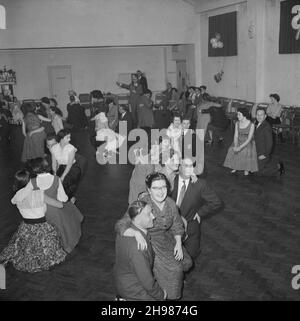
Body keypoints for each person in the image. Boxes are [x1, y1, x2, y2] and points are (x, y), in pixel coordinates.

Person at [116, 172, 193, 300]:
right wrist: (135, 233)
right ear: (148, 190)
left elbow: (177, 225)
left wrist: (178, 243)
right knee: (175, 270)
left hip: (166, 238)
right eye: (156, 188)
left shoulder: (170, 203)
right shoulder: (142, 204)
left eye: (163, 187)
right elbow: (120, 225)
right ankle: (168, 292)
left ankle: (164, 279)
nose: (160, 191)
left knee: (187, 262)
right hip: (150, 242)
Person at [0, 170, 66, 273]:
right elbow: (60, 205)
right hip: (42, 228)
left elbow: (14, 201)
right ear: (31, 181)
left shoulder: (16, 196)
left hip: (26, 228)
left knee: (23, 248)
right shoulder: (39, 194)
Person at [27, 158, 84, 253]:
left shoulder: (32, 181)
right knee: (69, 211)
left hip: (40, 211)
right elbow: (63, 198)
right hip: (55, 211)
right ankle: (67, 243)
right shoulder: (55, 179)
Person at [114, 200, 167, 301]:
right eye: (148, 214)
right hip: (134, 290)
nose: (153, 216)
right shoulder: (138, 247)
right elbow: (147, 281)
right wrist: (161, 295)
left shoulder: (127, 227)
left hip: (124, 280)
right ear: (137, 219)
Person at [171, 157, 222, 259]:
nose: (190, 169)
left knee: (191, 255)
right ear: (179, 167)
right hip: (171, 225)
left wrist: (200, 212)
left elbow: (216, 202)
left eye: (191, 166)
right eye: (186, 166)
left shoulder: (200, 184)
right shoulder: (171, 180)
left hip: (190, 225)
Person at [223, 108, 258, 176]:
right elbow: (235, 136)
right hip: (238, 140)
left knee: (246, 150)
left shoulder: (251, 125)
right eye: (237, 114)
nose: (237, 116)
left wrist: (240, 147)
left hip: (248, 142)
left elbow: (249, 139)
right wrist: (236, 146)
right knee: (231, 149)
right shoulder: (237, 123)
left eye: (239, 114)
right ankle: (235, 166)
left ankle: (246, 168)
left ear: (244, 115)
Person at [50, 129, 82, 202]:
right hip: (61, 167)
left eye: (69, 137)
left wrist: (63, 176)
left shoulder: (71, 148)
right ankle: (67, 198)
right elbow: (54, 163)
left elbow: (69, 164)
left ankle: (68, 198)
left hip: (72, 169)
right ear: (61, 139)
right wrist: (54, 173)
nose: (69, 139)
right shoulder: (54, 148)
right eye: (67, 137)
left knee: (65, 182)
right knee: (55, 182)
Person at [254, 108, 285, 176]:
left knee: (259, 172)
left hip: (263, 153)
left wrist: (264, 154)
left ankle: (278, 166)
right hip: (257, 151)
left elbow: (270, 143)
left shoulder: (266, 127)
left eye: (261, 115)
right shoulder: (258, 123)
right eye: (258, 115)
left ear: (265, 116)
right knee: (253, 168)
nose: (259, 116)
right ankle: (266, 163)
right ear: (256, 115)